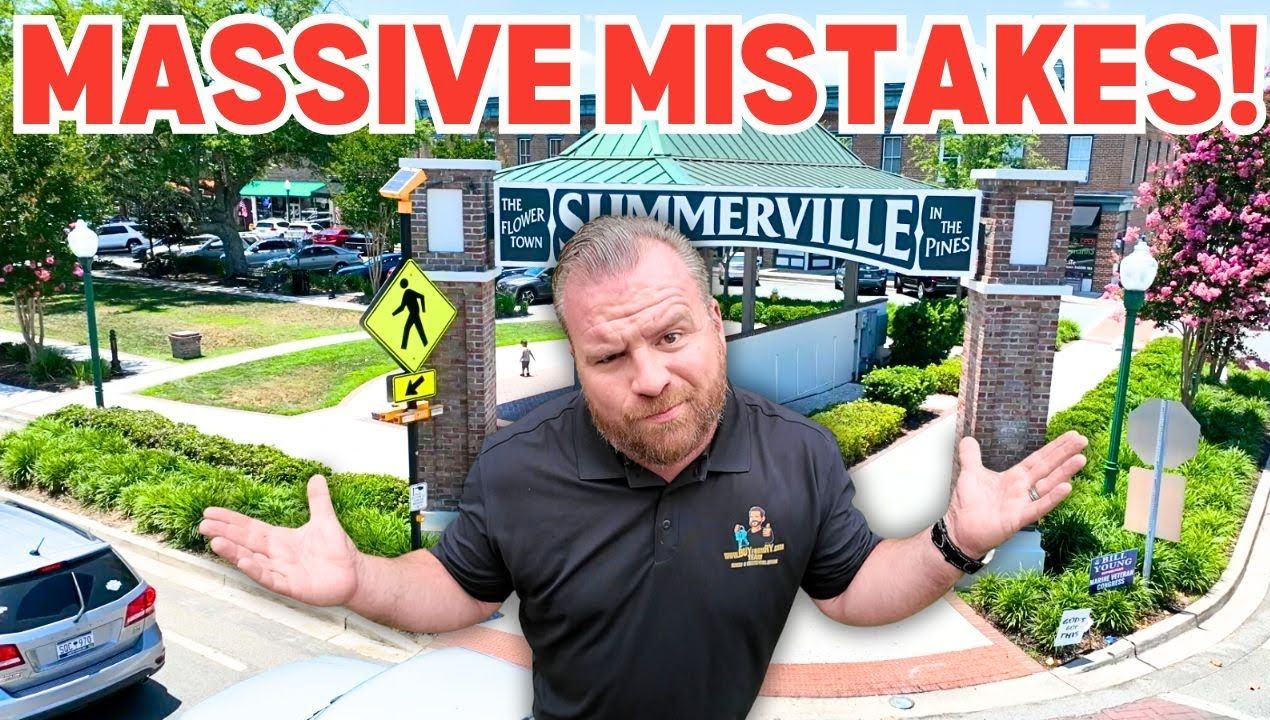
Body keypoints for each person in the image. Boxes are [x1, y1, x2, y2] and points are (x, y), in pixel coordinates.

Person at [199, 216, 1086, 720]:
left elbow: (854, 591)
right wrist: (359, 579)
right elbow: (457, 590)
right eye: (611, 355)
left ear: (713, 317)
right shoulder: (518, 469)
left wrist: (954, 540)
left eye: (671, 336)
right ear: (575, 359)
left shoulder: (798, 454)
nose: (651, 378)